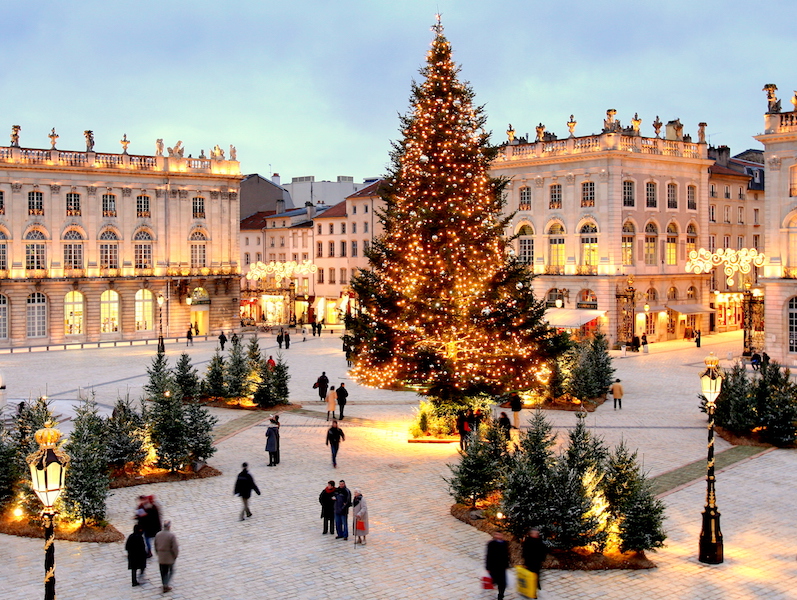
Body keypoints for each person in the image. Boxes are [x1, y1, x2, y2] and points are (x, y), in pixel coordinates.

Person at [154, 520, 179, 594]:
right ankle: (166, 585)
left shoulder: (158, 534)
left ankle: (164, 584)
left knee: (163, 571)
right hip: (169, 557)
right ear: (169, 526)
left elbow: (155, 545)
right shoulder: (171, 536)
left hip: (161, 556)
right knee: (170, 571)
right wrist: (175, 556)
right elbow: (175, 548)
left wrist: (158, 554)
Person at [485, 531, 510, 600]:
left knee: (502, 583)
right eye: (497, 534)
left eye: (499, 534)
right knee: (495, 580)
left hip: (502, 567)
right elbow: (488, 556)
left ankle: (501, 594)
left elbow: (507, 554)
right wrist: (487, 567)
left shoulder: (504, 543)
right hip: (494, 566)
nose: (498, 536)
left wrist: (507, 564)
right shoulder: (491, 544)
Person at [522, 529, 547, 594]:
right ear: (531, 534)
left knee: (537, 574)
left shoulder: (539, 541)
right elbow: (525, 552)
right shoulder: (528, 542)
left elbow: (543, 550)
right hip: (530, 562)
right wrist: (526, 562)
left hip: (537, 561)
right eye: (534, 533)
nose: (536, 534)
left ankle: (537, 586)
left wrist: (542, 558)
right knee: (531, 576)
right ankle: (531, 589)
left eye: (537, 533)